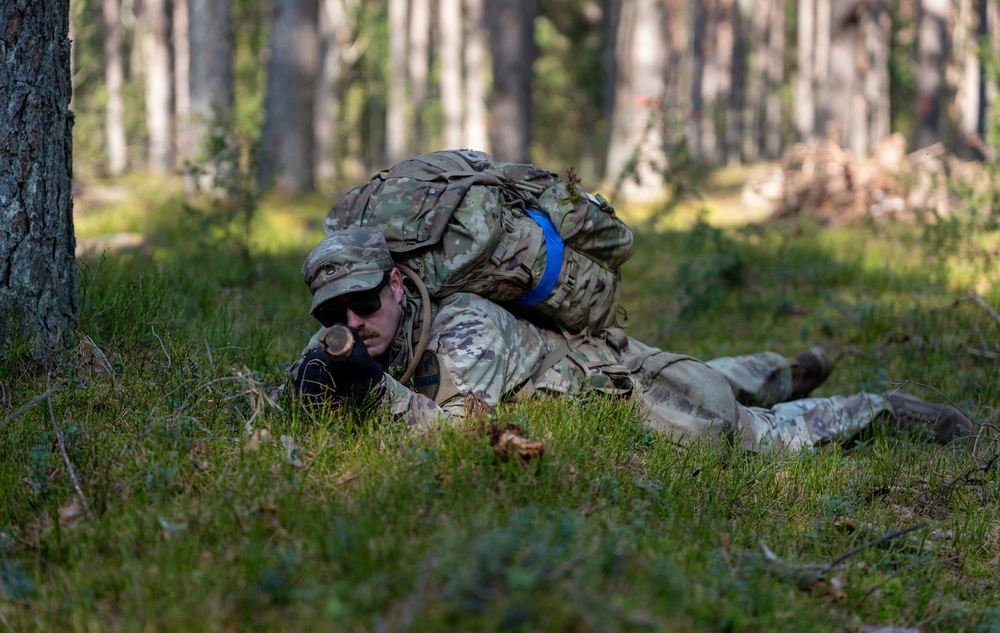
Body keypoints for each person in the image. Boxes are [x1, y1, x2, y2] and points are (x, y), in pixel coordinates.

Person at [289, 227, 974, 451]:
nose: (351, 325)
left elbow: (468, 434)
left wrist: (373, 395)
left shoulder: (463, 331)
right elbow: (318, 372)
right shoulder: (363, 334)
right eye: (333, 316)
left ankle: (878, 407)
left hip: (626, 390)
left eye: (363, 303)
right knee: (719, 371)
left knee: (751, 435)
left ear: (400, 285)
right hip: (610, 358)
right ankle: (785, 365)